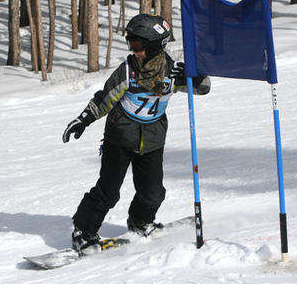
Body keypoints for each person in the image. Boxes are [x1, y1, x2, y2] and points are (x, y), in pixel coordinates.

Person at [62, 13, 211, 254]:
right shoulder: (128, 71)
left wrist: (194, 77)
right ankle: (83, 230)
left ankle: (140, 222)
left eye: (138, 45)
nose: (133, 50)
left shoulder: (172, 72)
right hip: (119, 138)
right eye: (130, 43)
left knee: (153, 194)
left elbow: (204, 88)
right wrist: (83, 120)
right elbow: (104, 99)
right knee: (108, 192)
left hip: (152, 141)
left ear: (153, 46)